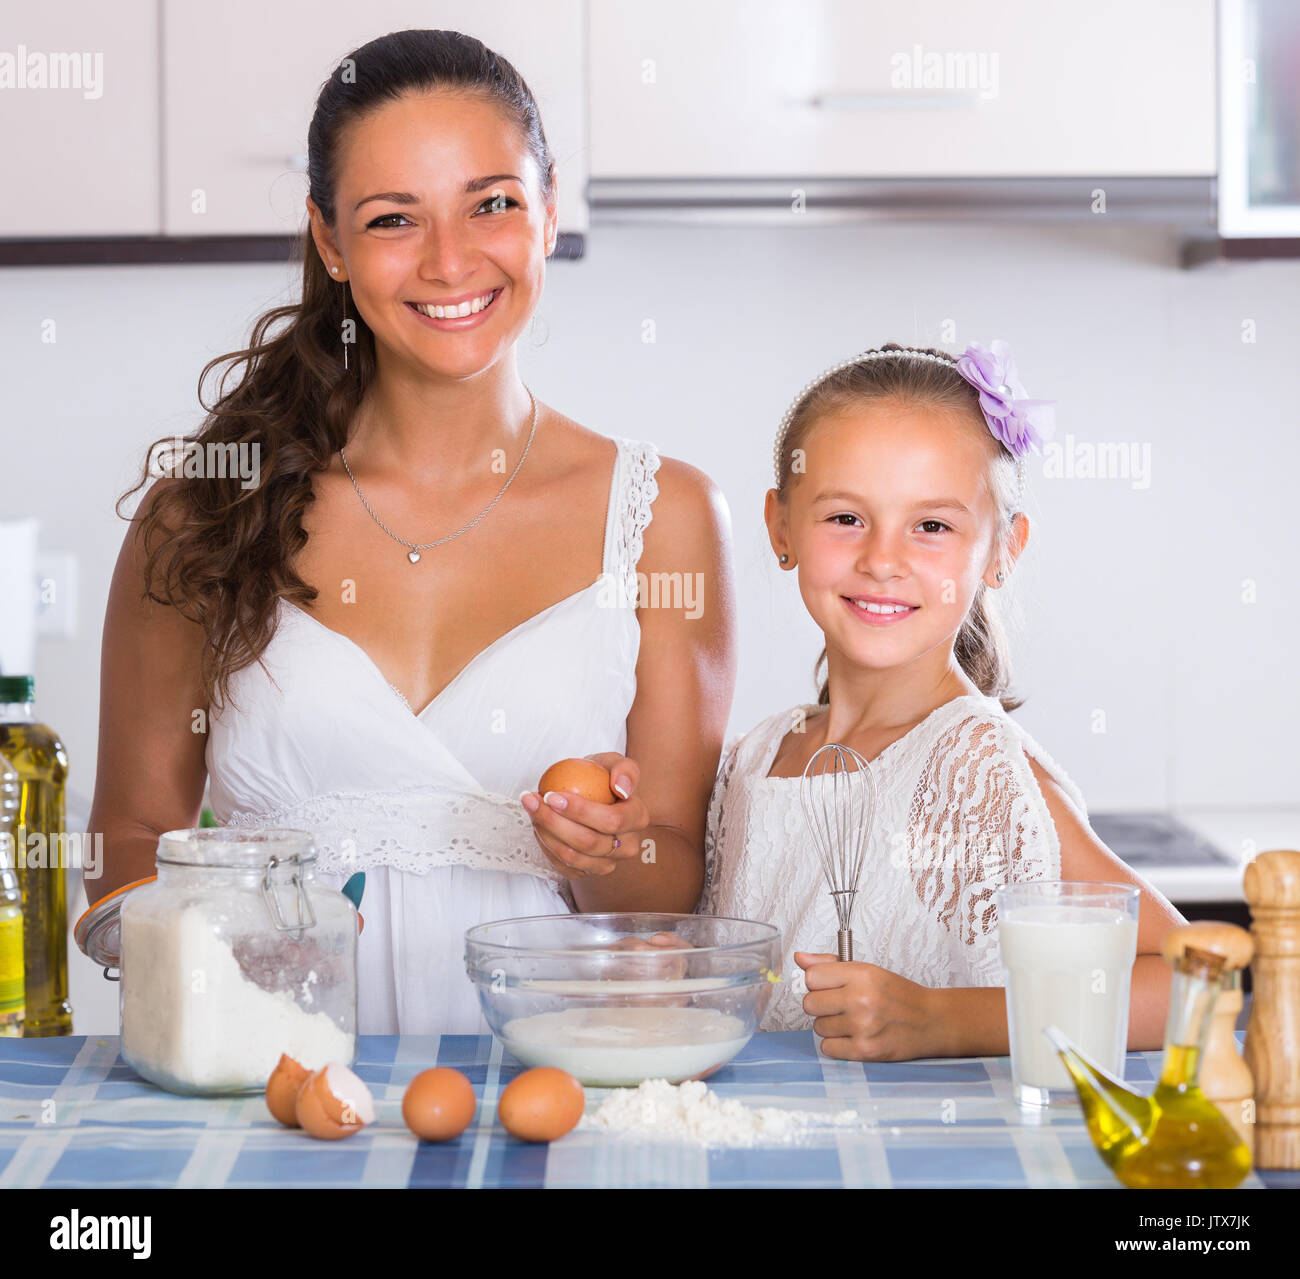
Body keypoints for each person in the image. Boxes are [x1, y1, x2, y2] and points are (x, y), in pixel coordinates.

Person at [87, 29, 735, 1034]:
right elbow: (128, 830)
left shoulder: (667, 518)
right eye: (395, 219)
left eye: (492, 204)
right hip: (272, 1083)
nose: (449, 260)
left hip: (553, 1081)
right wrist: (211, 979)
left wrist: (608, 855)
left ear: (550, 209)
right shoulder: (206, 512)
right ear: (330, 240)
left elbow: (669, 883)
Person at [699, 341, 1183, 1060]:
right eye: (845, 518)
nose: (883, 559)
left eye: (931, 526)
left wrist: (943, 1020)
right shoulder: (758, 755)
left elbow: (1185, 975)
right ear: (780, 526)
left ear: (1001, 550)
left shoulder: (977, 766)